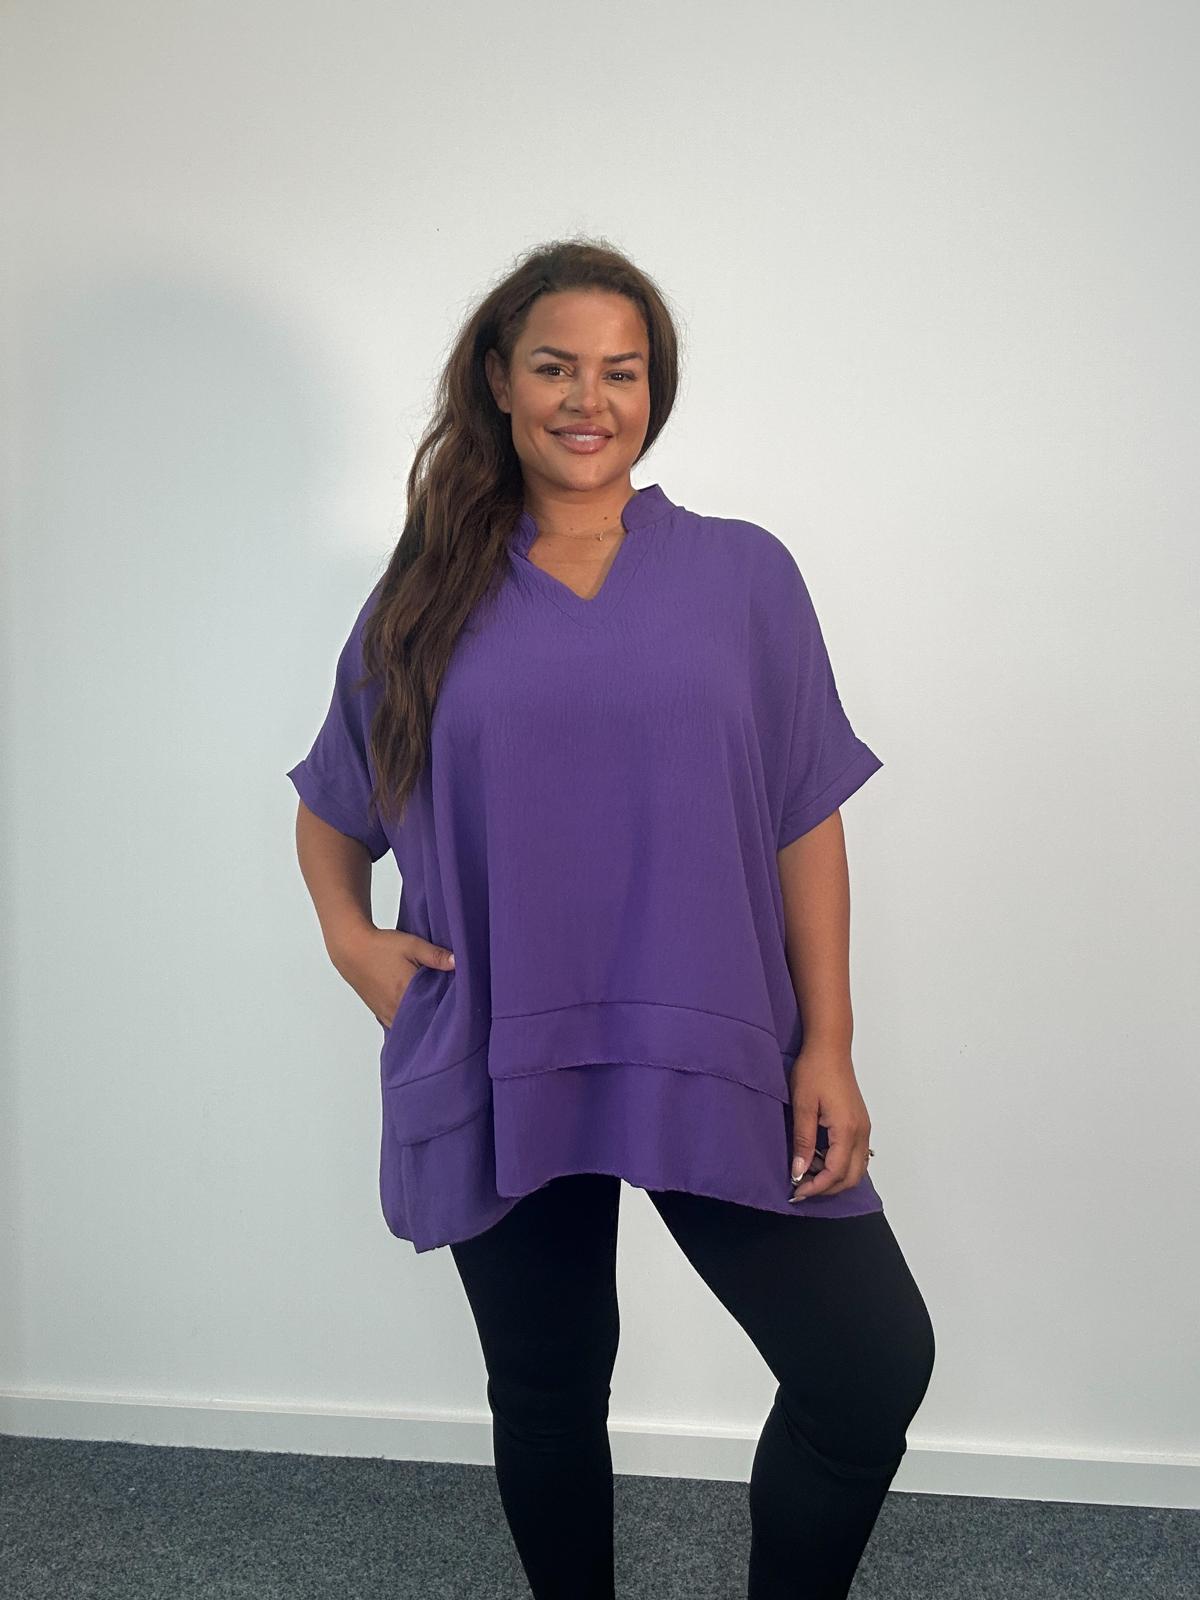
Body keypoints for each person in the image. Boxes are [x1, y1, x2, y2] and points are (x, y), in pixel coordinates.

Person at [287, 238, 936, 1599]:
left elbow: (805, 818)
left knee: (869, 1366)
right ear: (499, 381)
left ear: (655, 390)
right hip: (500, 1038)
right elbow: (334, 800)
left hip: (712, 1033)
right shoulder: (425, 594)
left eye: (622, 372)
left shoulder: (743, 575)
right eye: (557, 367)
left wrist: (830, 1043)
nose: (591, 400)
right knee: (547, 1389)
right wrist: (348, 934)